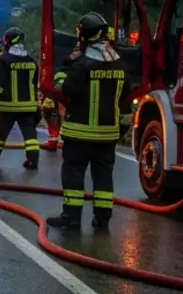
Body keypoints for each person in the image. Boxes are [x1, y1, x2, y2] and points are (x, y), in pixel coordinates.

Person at [46, 12, 132, 231]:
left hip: (80, 133)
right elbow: (126, 97)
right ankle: (102, 218)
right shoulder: (120, 63)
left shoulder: (82, 64)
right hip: (108, 135)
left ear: (83, 34)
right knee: (103, 177)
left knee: (73, 174)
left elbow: (67, 90)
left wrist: (61, 74)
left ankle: (71, 217)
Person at [0, 28, 40, 169]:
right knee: (30, 135)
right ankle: (33, 160)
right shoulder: (31, 61)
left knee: (0, 133)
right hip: (29, 105)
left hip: (8, 105)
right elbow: (34, 84)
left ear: (8, 41)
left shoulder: (4, 60)